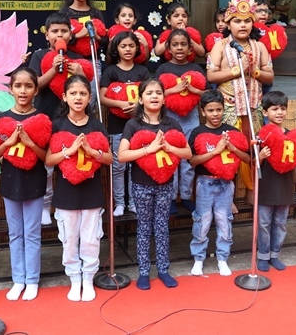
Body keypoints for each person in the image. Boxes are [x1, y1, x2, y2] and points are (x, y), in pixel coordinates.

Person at [118, 78, 192, 290]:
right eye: (149, 93)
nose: (154, 96)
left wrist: (169, 147)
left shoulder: (172, 124)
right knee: (144, 227)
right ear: (140, 99)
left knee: (161, 227)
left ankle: (163, 269)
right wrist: (148, 150)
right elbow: (122, 156)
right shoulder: (133, 125)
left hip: (165, 184)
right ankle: (143, 271)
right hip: (141, 185)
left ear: (164, 98)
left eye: (158, 93)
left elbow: (188, 153)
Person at [45, 75, 113, 302]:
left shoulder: (96, 125)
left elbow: (109, 159)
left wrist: (93, 152)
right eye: (73, 93)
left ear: (89, 97)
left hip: (91, 192)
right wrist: (70, 151)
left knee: (91, 237)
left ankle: (88, 278)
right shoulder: (57, 125)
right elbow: (49, 160)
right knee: (69, 237)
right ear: (64, 97)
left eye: (83, 93)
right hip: (66, 194)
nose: (78, 97)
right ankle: (74, 279)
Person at [0, 67, 49, 301]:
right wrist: (10, 142)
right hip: (10, 182)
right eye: (18, 86)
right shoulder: (2, 118)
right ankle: (18, 280)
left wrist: (29, 142)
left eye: (28, 86)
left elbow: (47, 158)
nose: (23, 91)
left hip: (34, 182)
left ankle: (32, 280)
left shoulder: (42, 119)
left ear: (36, 90)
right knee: (15, 233)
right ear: (10, 89)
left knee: (32, 234)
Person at [29, 12, 88, 225]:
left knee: (70, 162)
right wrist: (54, 69)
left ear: (71, 34)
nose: (59, 35)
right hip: (45, 117)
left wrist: (81, 72)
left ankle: (67, 205)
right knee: (47, 166)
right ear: (47, 35)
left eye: (64, 31)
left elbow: (86, 90)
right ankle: (45, 206)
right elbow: (35, 85)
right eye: (55, 31)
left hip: (71, 119)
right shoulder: (39, 56)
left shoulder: (78, 57)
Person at [188, 90, 250, 277]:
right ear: (202, 111)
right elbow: (192, 161)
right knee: (202, 220)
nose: (215, 114)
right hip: (205, 183)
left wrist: (232, 147)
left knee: (224, 221)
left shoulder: (232, 132)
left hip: (226, 184)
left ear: (224, 109)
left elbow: (247, 159)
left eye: (218, 109)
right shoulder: (197, 132)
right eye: (210, 110)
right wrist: (215, 151)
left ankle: (222, 258)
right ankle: (198, 259)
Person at [207, 0, 274, 139]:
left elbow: (270, 77)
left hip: (254, 107)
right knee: (230, 145)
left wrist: (254, 71)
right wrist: (238, 70)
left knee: (254, 145)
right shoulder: (220, 46)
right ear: (228, 25)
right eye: (237, 21)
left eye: (247, 21)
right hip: (228, 106)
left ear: (252, 23)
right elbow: (211, 76)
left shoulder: (260, 47)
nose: (243, 25)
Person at [155, 29, 208, 214]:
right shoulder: (163, 69)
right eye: (175, 44)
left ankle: (185, 196)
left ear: (190, 48)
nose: (179, 48)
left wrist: (194, 90)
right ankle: (170, 198)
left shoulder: (196, 69)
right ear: (168, 48)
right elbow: (155, 94)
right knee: (170, 157)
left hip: (190, 118)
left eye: (183, 44)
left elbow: (208, 94)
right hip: (168, 119)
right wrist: (174, 89)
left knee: (187, 158)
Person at [99, 31, 150, 216]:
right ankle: (120, 202)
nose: (127, 49)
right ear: (116, 49)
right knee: (118, 166)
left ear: (137, 48)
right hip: (117, 126)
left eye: (131, 46)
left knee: (136, 165)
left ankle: (133, 202)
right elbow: (102, 98)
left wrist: (138, 105)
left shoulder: (142, 71)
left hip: (139, 126)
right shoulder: (111, 71)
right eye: (123, 46)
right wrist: (119, 104)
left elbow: (150, 94)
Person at [256, 91, 296, 272]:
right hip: (266, 187)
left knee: (280, 223)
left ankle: (275, 254)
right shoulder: (260, 136)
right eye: (274, 109)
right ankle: (262, 255)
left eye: (283, 108)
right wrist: (260, 156)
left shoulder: (292, 136)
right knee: (263, 223)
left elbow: (292, 159)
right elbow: (251, 164)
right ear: (265, 112)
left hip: (285, 186)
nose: (279, 112)